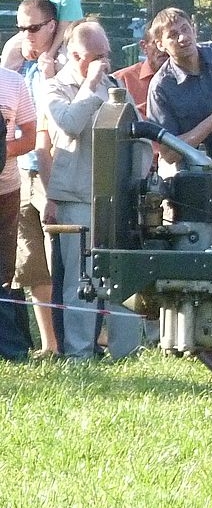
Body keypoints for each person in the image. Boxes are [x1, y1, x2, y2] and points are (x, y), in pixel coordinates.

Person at [44, 21, 143, 359]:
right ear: (75, 56)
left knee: (123, 276)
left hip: (118, 197)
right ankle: (78, 352)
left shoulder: (116, 86)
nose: (106, 62)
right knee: (80, 280)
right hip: (78, 196)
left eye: (108, 54)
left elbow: (139, 133)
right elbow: (69, 124)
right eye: (97, 56)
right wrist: (89, 84)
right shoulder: (56, 87)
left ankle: (126, 351)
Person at [11, 0, 59, 356]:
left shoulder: (58, 70)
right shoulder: (22, 70)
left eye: (32, 27)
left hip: (55, 171)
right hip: (22, 170)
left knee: (62, 255)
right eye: (20, 27)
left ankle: (77, 338)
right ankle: (49, 344)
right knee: (30, 262)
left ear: (52, 26)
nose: (24, 34)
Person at [146, 8, 212, 164]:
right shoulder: (160, 88)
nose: (183, 38)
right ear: (160, 45)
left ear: (194, 30)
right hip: (198, 177)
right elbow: (169, 154)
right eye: (173, 35)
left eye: (185, 29)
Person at [0, 63, 38, 361]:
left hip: (6, 191)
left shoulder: (13, 82)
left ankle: (11, 348)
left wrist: (3, 149)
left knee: (4, 272)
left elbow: (31, 137)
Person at [112, 25, 168, 117]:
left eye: (167, 43)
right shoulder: (120, 81)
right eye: (157, 43)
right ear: (144, 46)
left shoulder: (189, 79)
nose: (163, 49)